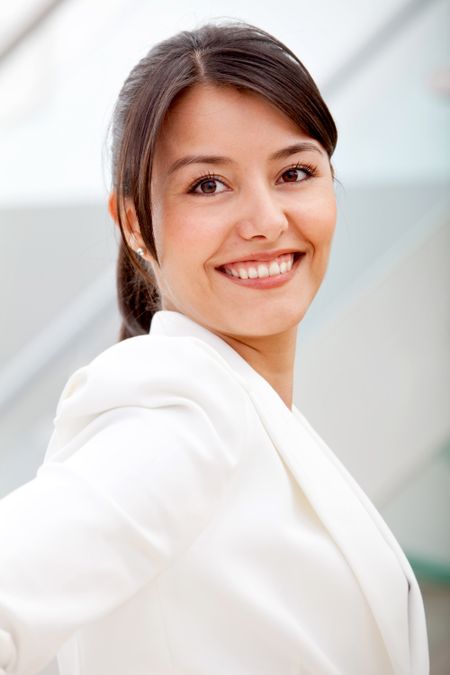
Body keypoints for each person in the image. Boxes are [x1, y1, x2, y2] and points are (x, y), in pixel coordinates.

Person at [0, 21, 429, 675]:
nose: (265, 221)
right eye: (207, 185)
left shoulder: (251, 405)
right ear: (137, 225)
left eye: (294, 171)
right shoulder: (178, 406)